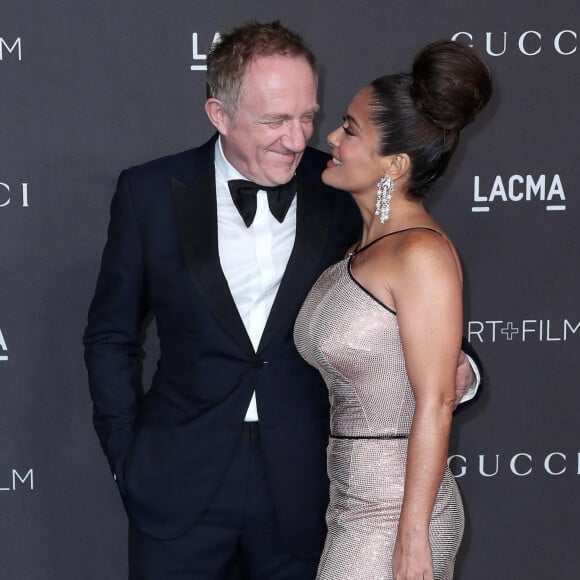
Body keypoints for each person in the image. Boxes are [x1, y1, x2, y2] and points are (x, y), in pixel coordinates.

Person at [83, 21, 481, 580]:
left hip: (308, 488)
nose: (298, 140)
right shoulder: (148, 193)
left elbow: (419, 309)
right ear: (220, 115)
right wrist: (126, 457)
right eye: (274, 120)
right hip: (177, 480)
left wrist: (460, 373)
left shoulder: (344, 188)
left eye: (308, 116)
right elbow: (110, 335)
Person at [294, 40, 492, 580]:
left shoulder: (420, 254)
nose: (331, 138)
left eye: (351, 129)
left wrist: (412, 539)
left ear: (395, 164)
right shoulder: (365, 250)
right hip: (353, 502)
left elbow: (435, 403)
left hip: (398, 513)